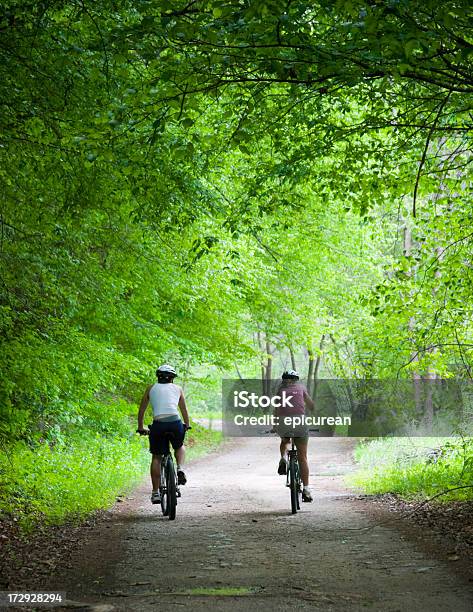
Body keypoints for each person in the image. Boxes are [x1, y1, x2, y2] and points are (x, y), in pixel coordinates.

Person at [137, 364, 190, 504]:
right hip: (175, 422)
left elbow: (142, 409)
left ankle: (155, 493)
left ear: (158, 377)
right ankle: (179, 468)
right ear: (172, 378)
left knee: (156, 457)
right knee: (179, 446)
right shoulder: (178, 389)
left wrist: (141, 427)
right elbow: (183, 409)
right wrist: (187, 424)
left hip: (159, 424)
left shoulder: (151, 388)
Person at [274, 369, 315, 502]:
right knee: (302, 457)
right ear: (296, 379)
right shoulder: (301, 388)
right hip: (300, 422)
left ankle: (284, 457)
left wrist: (275, 425)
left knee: (285, 441)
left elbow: (276, 410)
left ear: (284, 380)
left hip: (284, 422)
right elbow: (312, 406)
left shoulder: (280, 391)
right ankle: (307, 490)